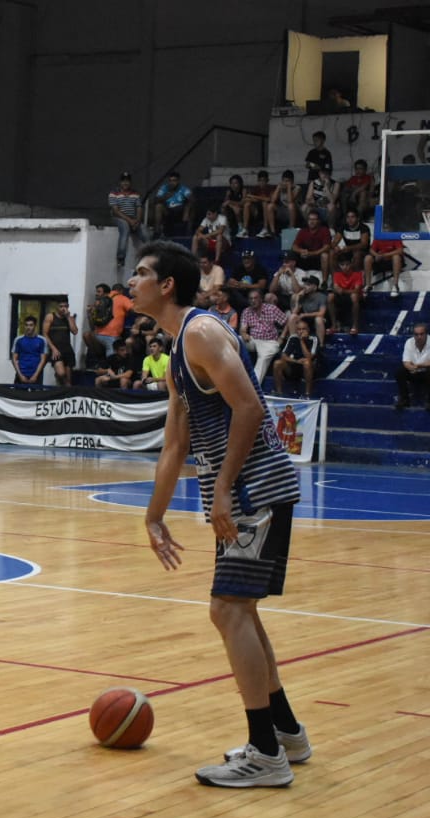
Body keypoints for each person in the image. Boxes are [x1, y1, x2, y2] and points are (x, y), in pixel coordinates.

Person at [129, 239, 307, 789]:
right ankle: (287, 736)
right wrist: (154, 516)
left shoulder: (202, 333)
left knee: (228, 611)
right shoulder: (176, 352)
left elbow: (252, 407)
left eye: (139, 272)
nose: (128, 281)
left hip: (254, 487)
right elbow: (174, 446)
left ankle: (265, 754)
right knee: (241, 613)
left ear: (166, 286)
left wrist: (225, 488)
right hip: (241, 491)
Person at [239, 289, 286, 385]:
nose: (253, 301)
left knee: (263, 359)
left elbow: (287, 322)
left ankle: (254, 387)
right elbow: (243, 329)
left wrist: (282, 337)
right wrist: (244, 334)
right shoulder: (246, 311)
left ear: (261, 299)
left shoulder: (271, 309)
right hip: (253, 340)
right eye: (250, 298)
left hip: (269, 342)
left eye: (255, 298)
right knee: (236, 339)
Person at [273, 318, 319, 398]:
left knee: (307, 362)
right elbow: (283, 356)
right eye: (299, 329)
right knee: (277, 363)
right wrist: (296, 361)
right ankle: (279, 392)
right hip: (294, 367)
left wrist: (301, 341)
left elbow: (309, 357)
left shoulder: (313, 339)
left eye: (303, 329)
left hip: (308, 369)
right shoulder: (292, 338)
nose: (301, 331)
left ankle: (307, 394)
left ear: (308, 329)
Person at [108, 171, 146, 268]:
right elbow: (115, 211)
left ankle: (152, 257)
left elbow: (139, 208)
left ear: (130, 182)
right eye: (123, 181)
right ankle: (120, 258)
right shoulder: (113, 193)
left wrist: (137, 220)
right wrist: (130, 221)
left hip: (133, 219)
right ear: (120, 182)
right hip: (118, 218)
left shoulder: (135, 194)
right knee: (125, 229)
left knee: (145, 233)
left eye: (127, 181)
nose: (125, 183)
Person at [328, 253, 366, 336]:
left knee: (354, 296)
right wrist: (339, 290)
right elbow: (336, 288)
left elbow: (356, 290)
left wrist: (343, 291)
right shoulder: (337, 275)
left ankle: (355, 326)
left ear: (351, 264)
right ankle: (334, 325)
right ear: (339, 265)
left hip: (356, 297)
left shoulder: (357, 274)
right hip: (343, 296)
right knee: (330, 296)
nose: (345, 267)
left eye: (347, 264)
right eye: (342, 265)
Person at [42, 299, 77, 386]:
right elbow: (45, 333)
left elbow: (75, 331)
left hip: (67, 350)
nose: (63, 309)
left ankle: (65, 395)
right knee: (61, 373)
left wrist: (69, 317)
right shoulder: (50, 317)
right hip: (56, 349)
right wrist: (53, 348)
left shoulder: (70, 318)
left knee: (68, 380)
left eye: (65, 306)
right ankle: (58, 376)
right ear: (57, 307)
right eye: (61, 306)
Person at [395, 323, 430, 410]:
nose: (419, 337)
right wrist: (412, 368)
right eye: (416, 334)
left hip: (426, 372)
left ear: (426, 334)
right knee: (400, 371)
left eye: (421, 334)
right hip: (413, 371)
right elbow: (406, 362)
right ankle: (404, 399)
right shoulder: (409, 342)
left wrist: (418, 365)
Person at [152, 170, 193, 236]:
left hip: (180, 211)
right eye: (170, 180)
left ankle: (188, 233)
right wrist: (165, 197)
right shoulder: (164, 188)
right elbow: (155, 200)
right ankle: (157, 231)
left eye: (174, 180)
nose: (172, 183)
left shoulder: (183, 189)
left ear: (178, 181)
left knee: (188, 205)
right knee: (158, 206)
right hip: (168, 211)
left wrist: (187, 209)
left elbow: (191, 199)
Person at [10, 315, 47, 386]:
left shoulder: (42, 340)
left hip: (36, 374)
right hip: (21, 373)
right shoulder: (18, 340)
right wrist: (20, 375)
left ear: (35, 326)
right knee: (18, 396)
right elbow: (14, 359)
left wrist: (35, 375)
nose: (28, 327)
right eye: (26, 325)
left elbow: (43, 360)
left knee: (36, 396)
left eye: (31, 325)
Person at [265, 170, 300, 238]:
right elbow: (273, 200)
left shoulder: (297, 188)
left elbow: (290, 201)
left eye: (288, 181)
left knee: (291, 205)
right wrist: (278, 188)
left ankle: (291, 228)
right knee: (270, 206)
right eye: (284, 181)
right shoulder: (281, 188)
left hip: (294, 212)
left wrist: (289, 187)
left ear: (292, 181)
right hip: (282, 211)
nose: (285, 183)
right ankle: (272, 231)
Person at [242, 170, 274, 238]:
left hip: (268, 211)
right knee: (247, 204)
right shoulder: (255, 188)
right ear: (258, 181)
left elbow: (269, 199)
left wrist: (254, 197)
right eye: (260, 180)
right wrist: (257, 199)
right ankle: (245, 229)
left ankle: (265, 229)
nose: (262, 183)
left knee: (265, 203)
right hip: (256, 211)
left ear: (267, 180)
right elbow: (247, 198)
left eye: (264, 180)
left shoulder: (271, 188)